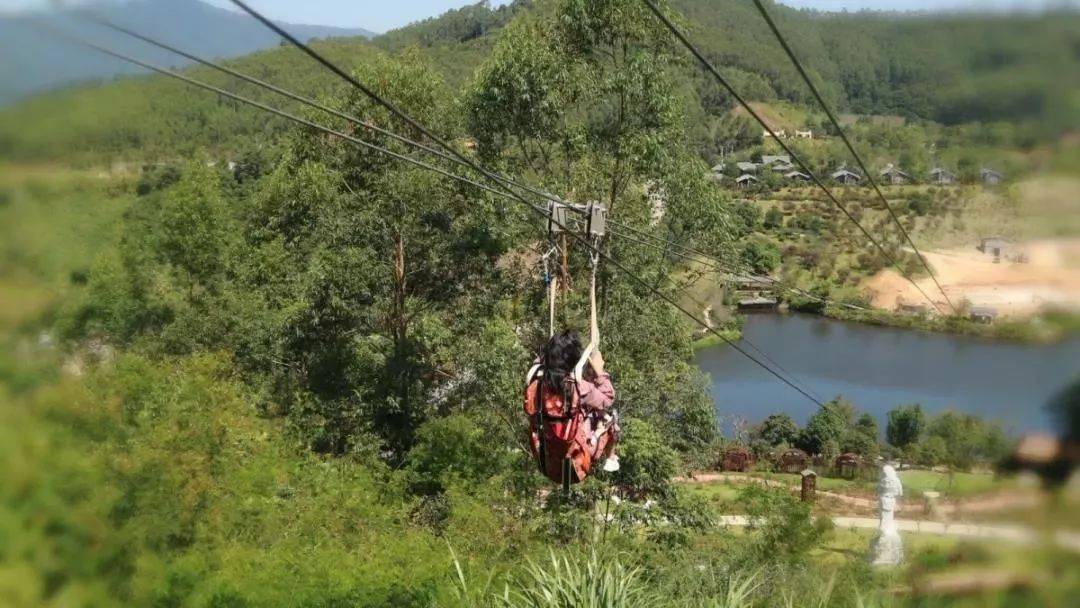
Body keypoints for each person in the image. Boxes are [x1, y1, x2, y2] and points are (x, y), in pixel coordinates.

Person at [524, 330, 619, 484]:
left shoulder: (536, 383)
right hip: (576, 465)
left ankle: (605, 453)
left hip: (547, 464)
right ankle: (611, 457)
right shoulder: (578, 388)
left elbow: (538, 362)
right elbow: (608, 398)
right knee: (610, 417)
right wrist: (600, 371)